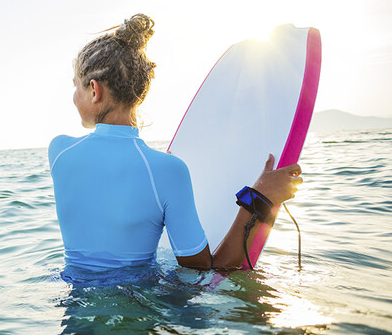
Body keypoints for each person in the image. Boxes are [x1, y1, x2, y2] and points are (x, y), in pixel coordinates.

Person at [49, 14, 302, 272]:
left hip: (75, 304)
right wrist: (260, 197)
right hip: (143, 306)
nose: (74, 97)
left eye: (75, 87)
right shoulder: (168, 170)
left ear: (94, 90)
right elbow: (211, 268)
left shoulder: (58, 152)